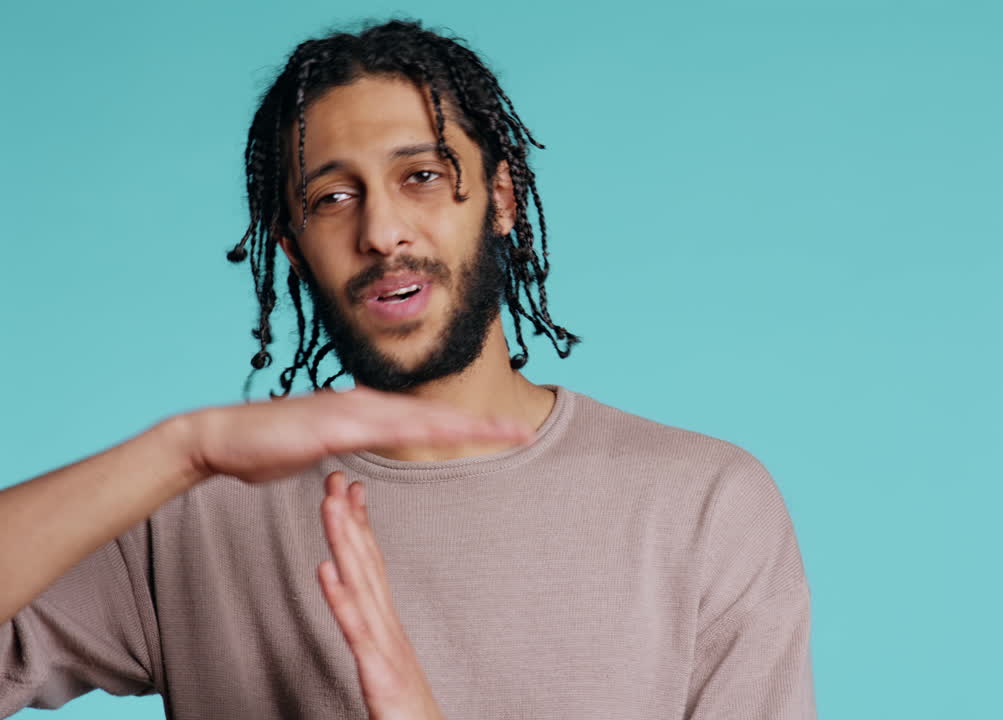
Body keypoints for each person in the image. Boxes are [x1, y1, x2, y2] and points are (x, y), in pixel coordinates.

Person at [0, 18, 816, 720]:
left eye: (421, 176)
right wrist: (181, 451)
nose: (382, 231)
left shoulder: (702, 504)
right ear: (294, 251)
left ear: (502, 199)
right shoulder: (196, 514)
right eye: (333, 198)